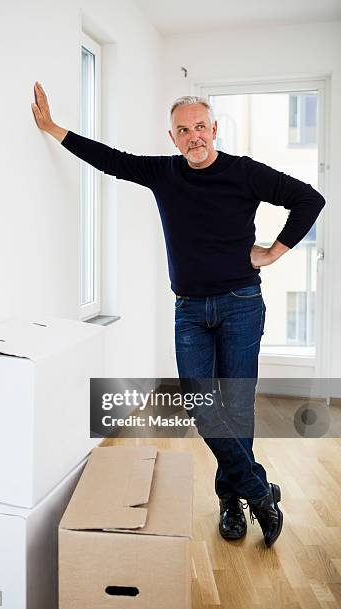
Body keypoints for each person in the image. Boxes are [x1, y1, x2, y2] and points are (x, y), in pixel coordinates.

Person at [31, 82, 325, 547]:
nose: (193, 137)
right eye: (183, 130)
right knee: (202, 405)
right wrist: (52, 128)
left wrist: (274, 252)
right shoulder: (165, 174)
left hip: (241, 305)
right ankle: (258, 491)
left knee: (236, 407)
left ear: (214, 129)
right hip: (189, 310)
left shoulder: (244, 173)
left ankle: (231, 502)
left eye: (200, 128)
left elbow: (310, 199)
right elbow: (110, 159)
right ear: (172, 137)